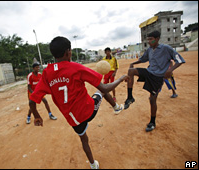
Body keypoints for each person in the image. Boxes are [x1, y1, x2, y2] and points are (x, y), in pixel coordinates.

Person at [29, 36, 129, 169]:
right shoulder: (75, 68)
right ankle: (116, 107)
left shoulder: (47, 73)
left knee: (84, 139)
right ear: (68, 52)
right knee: (101, 91)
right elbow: (105, 88)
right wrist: (121, 78)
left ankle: (93, 165)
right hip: (88, 111)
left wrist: (36, 116)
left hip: (72, 119)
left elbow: (32, 101)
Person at [124, 30, 185, 132]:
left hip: (157, 78)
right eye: (148, 39)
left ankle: (152, 122)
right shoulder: (150, 50)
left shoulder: (166, 48)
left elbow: (179, 60)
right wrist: (133, 63)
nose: (149, 41)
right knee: (131, 71)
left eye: (151, 39)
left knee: (152, 100)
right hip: (149, 72)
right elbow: (143, 59)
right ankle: (130, 97)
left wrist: (170, 70)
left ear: (157, 39)